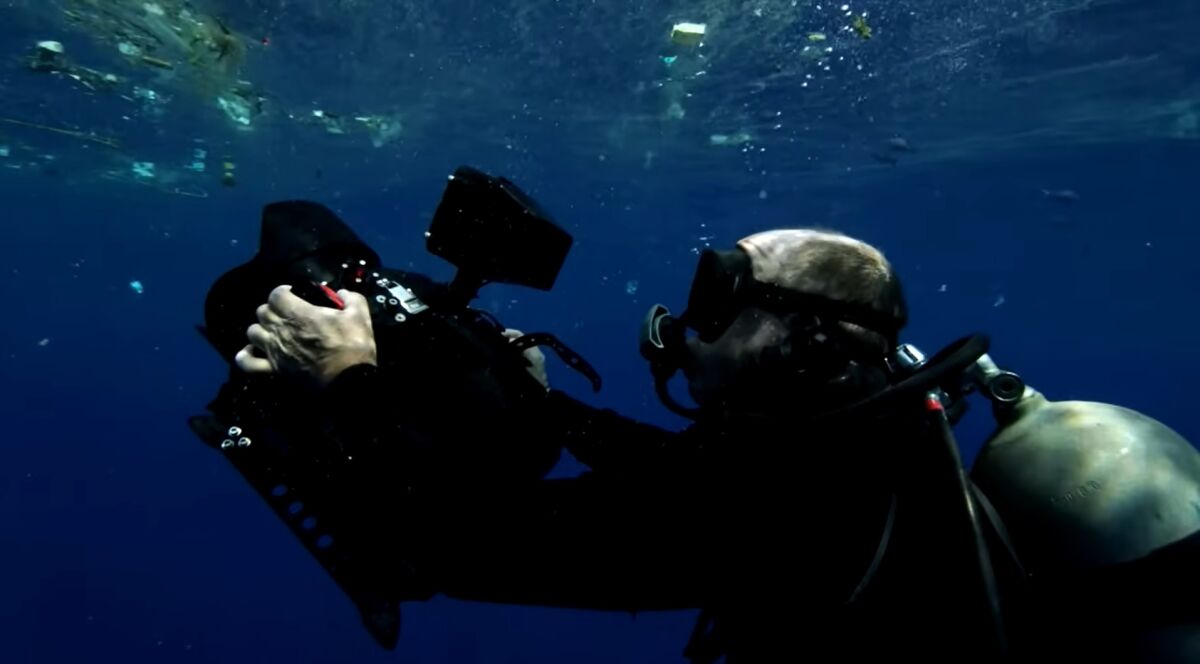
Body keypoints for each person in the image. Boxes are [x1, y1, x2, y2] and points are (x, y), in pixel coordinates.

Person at [197, 170, 1200, 662]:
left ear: (804, 340)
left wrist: (347, 380)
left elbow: (463, 551)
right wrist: (559, 411)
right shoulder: (851, 428)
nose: (683, 323)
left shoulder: (786, 495)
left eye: (717, 299)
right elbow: (683, 481)